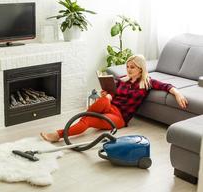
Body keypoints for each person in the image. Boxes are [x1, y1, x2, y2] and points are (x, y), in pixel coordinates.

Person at [40, 54, 188, 142]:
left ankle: (59, 134)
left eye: (132, 67)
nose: (128, 69)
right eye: (128, 66)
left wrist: (178, 93)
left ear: (140, 69)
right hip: (110, 107)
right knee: (104, 100)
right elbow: (110, 92)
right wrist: (106, 94)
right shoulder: (122, 79)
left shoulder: (147, 82)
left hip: (120, 118)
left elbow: (166, 86)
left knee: (88, 119)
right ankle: (79, 123)